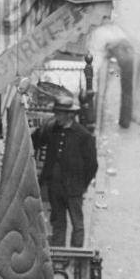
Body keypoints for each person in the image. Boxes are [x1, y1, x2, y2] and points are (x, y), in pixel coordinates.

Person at [35, 91, 99, 247]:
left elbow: (92, 165)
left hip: (74, 187)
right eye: (56, 113)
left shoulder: (83, 136)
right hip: (54, 186)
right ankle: (59, 255)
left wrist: (82, 185)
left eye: (60, 114)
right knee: (58, 222)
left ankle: (76, 256)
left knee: (77, 223)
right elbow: (35, 141)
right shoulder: (52, 130)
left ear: (70, 115)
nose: (57, 117)